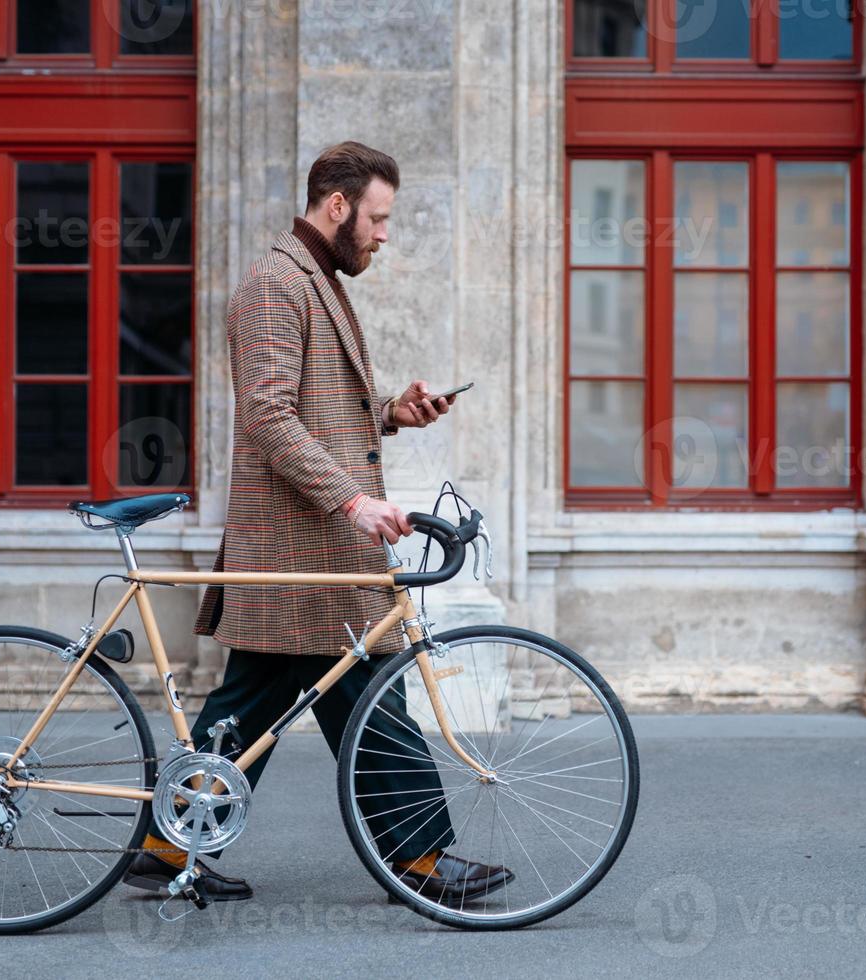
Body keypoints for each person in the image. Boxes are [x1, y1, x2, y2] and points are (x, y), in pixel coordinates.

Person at [122, 141, 512, 904]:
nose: (383, 233)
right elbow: (268, 414)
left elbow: (309, 409)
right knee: (370, 692)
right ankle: (420, 857)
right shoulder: (277, 283)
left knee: (256, 698)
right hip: (305, 541)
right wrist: (354, 500)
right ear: (336, 205)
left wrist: (389, 413)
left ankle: (169, 846)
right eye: (377, 217)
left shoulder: (313, 279)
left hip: (304, 547)